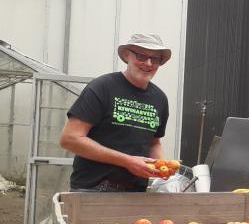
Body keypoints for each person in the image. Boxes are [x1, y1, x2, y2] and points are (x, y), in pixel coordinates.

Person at [59, 33, 171, 192]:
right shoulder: (102, 87)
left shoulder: (159, 99)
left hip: (136, 193)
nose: (148, 63)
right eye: (141, 56)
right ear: (127, 55)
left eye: (155, 59)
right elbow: (70, 139)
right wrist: (127, 161)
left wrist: (162, 166)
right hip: (94, 190)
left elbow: (153, 143)